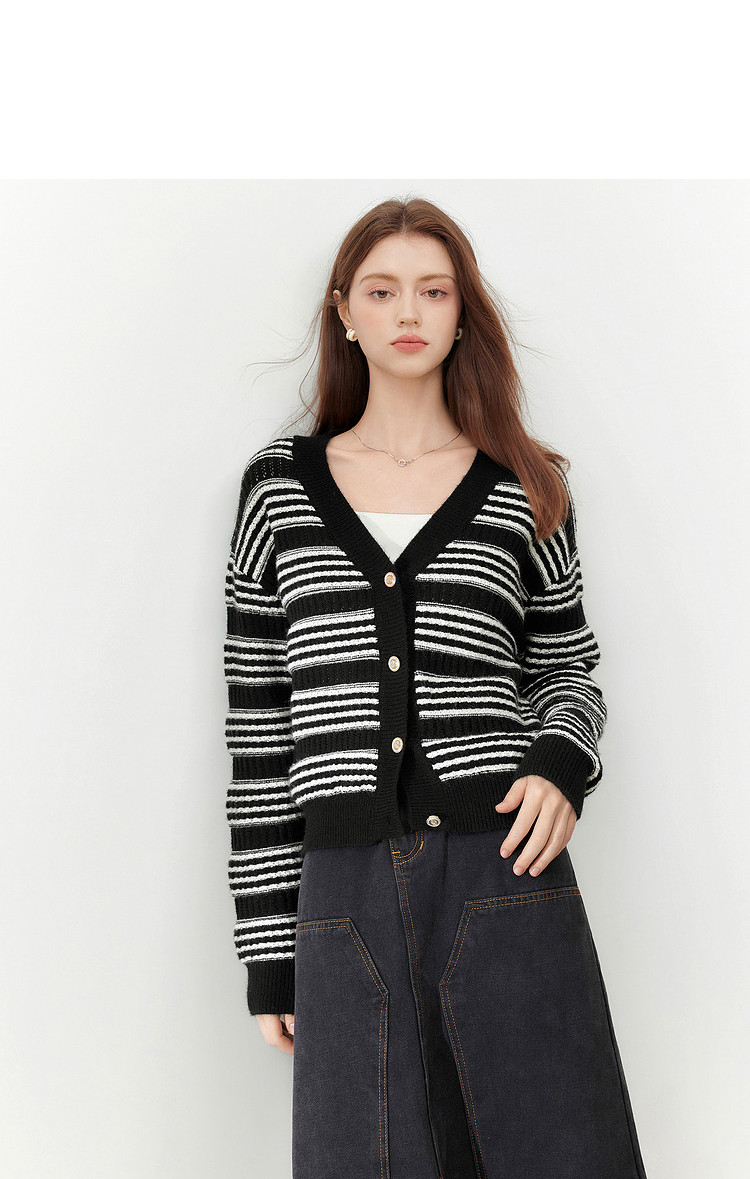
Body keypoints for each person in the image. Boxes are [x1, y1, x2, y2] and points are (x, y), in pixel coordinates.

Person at [223, 196, 648, 1178]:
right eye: (382, 291)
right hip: (341, 899)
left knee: (558, 1152)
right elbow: (259, 731)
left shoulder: (523, 485)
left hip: (503, 872)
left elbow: (567, 667)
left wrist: (559, 765)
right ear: (344, 312)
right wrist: (269, 951)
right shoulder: (277, 490)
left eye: (434, 290)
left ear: (462, 313)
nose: (408, 311)